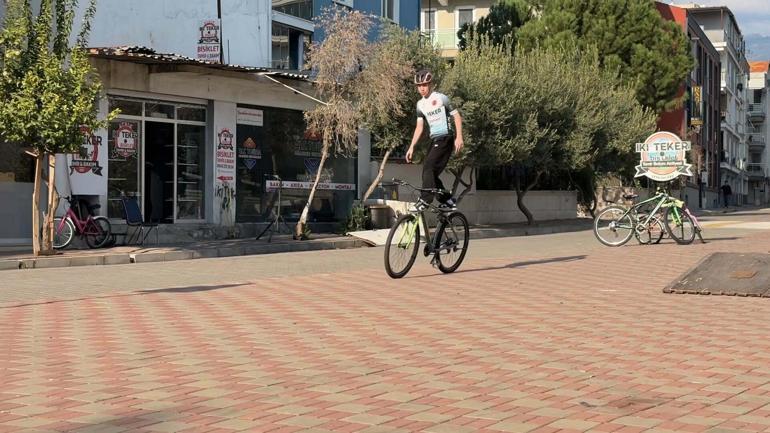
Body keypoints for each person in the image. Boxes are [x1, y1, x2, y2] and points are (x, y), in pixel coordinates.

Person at [406, 69, 464, 211]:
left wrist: (459, 137)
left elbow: (456, 116)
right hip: (435, 140)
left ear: (430, 84)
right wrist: (411, 146)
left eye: (424, 85)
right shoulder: (420, 105)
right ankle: (448, 200)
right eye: (419, 86)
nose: (422, 88)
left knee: (428, 167)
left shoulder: (441, 98)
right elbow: (419, 127)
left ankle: (425, 200)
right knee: (430, 173)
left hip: (445, 137)